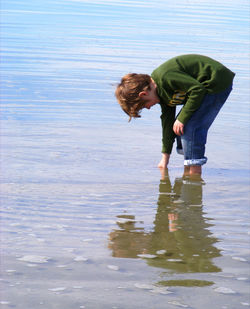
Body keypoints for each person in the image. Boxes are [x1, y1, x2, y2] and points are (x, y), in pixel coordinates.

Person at [115, 54, 235, 176]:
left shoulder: (165, 77)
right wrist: (165, 159)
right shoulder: (161, 95)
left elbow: (197, 90)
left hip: (215, 82)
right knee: (178, 125)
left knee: (190, 127)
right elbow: (168, 124)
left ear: (143, 94)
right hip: (202, 88)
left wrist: (182, 119)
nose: (149, 108)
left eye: (144, 106)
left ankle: (194, 174)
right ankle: (187, 169)